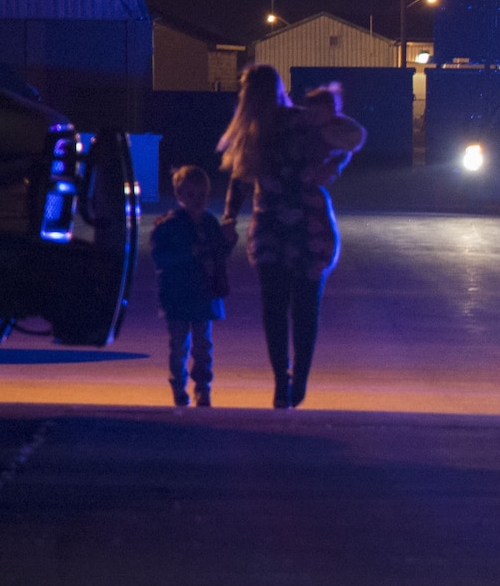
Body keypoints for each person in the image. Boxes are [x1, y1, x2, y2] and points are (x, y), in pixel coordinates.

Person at [217, 65, 365, 409]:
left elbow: (353, 138)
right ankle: (287, 380)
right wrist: (228, 217)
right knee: (291, 306)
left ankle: (291, 379)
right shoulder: (253, 131)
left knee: (291, 306)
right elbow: (238, 178)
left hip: (298, 223)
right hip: (282, 223)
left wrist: (335, 165)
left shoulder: (298, 120)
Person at [150, 164, 234, 407]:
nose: (197, 201)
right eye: (191, 195)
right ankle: (179, 386)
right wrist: (190, 252)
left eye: (202, 195)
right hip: (177, 294)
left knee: (202, 345)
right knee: (179, 345)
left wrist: (228, 241)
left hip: (202, 294)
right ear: (179, 196)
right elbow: (159, 258)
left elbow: (220, 256)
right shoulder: (168, 225)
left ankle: (202, 388)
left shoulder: (209, 223)